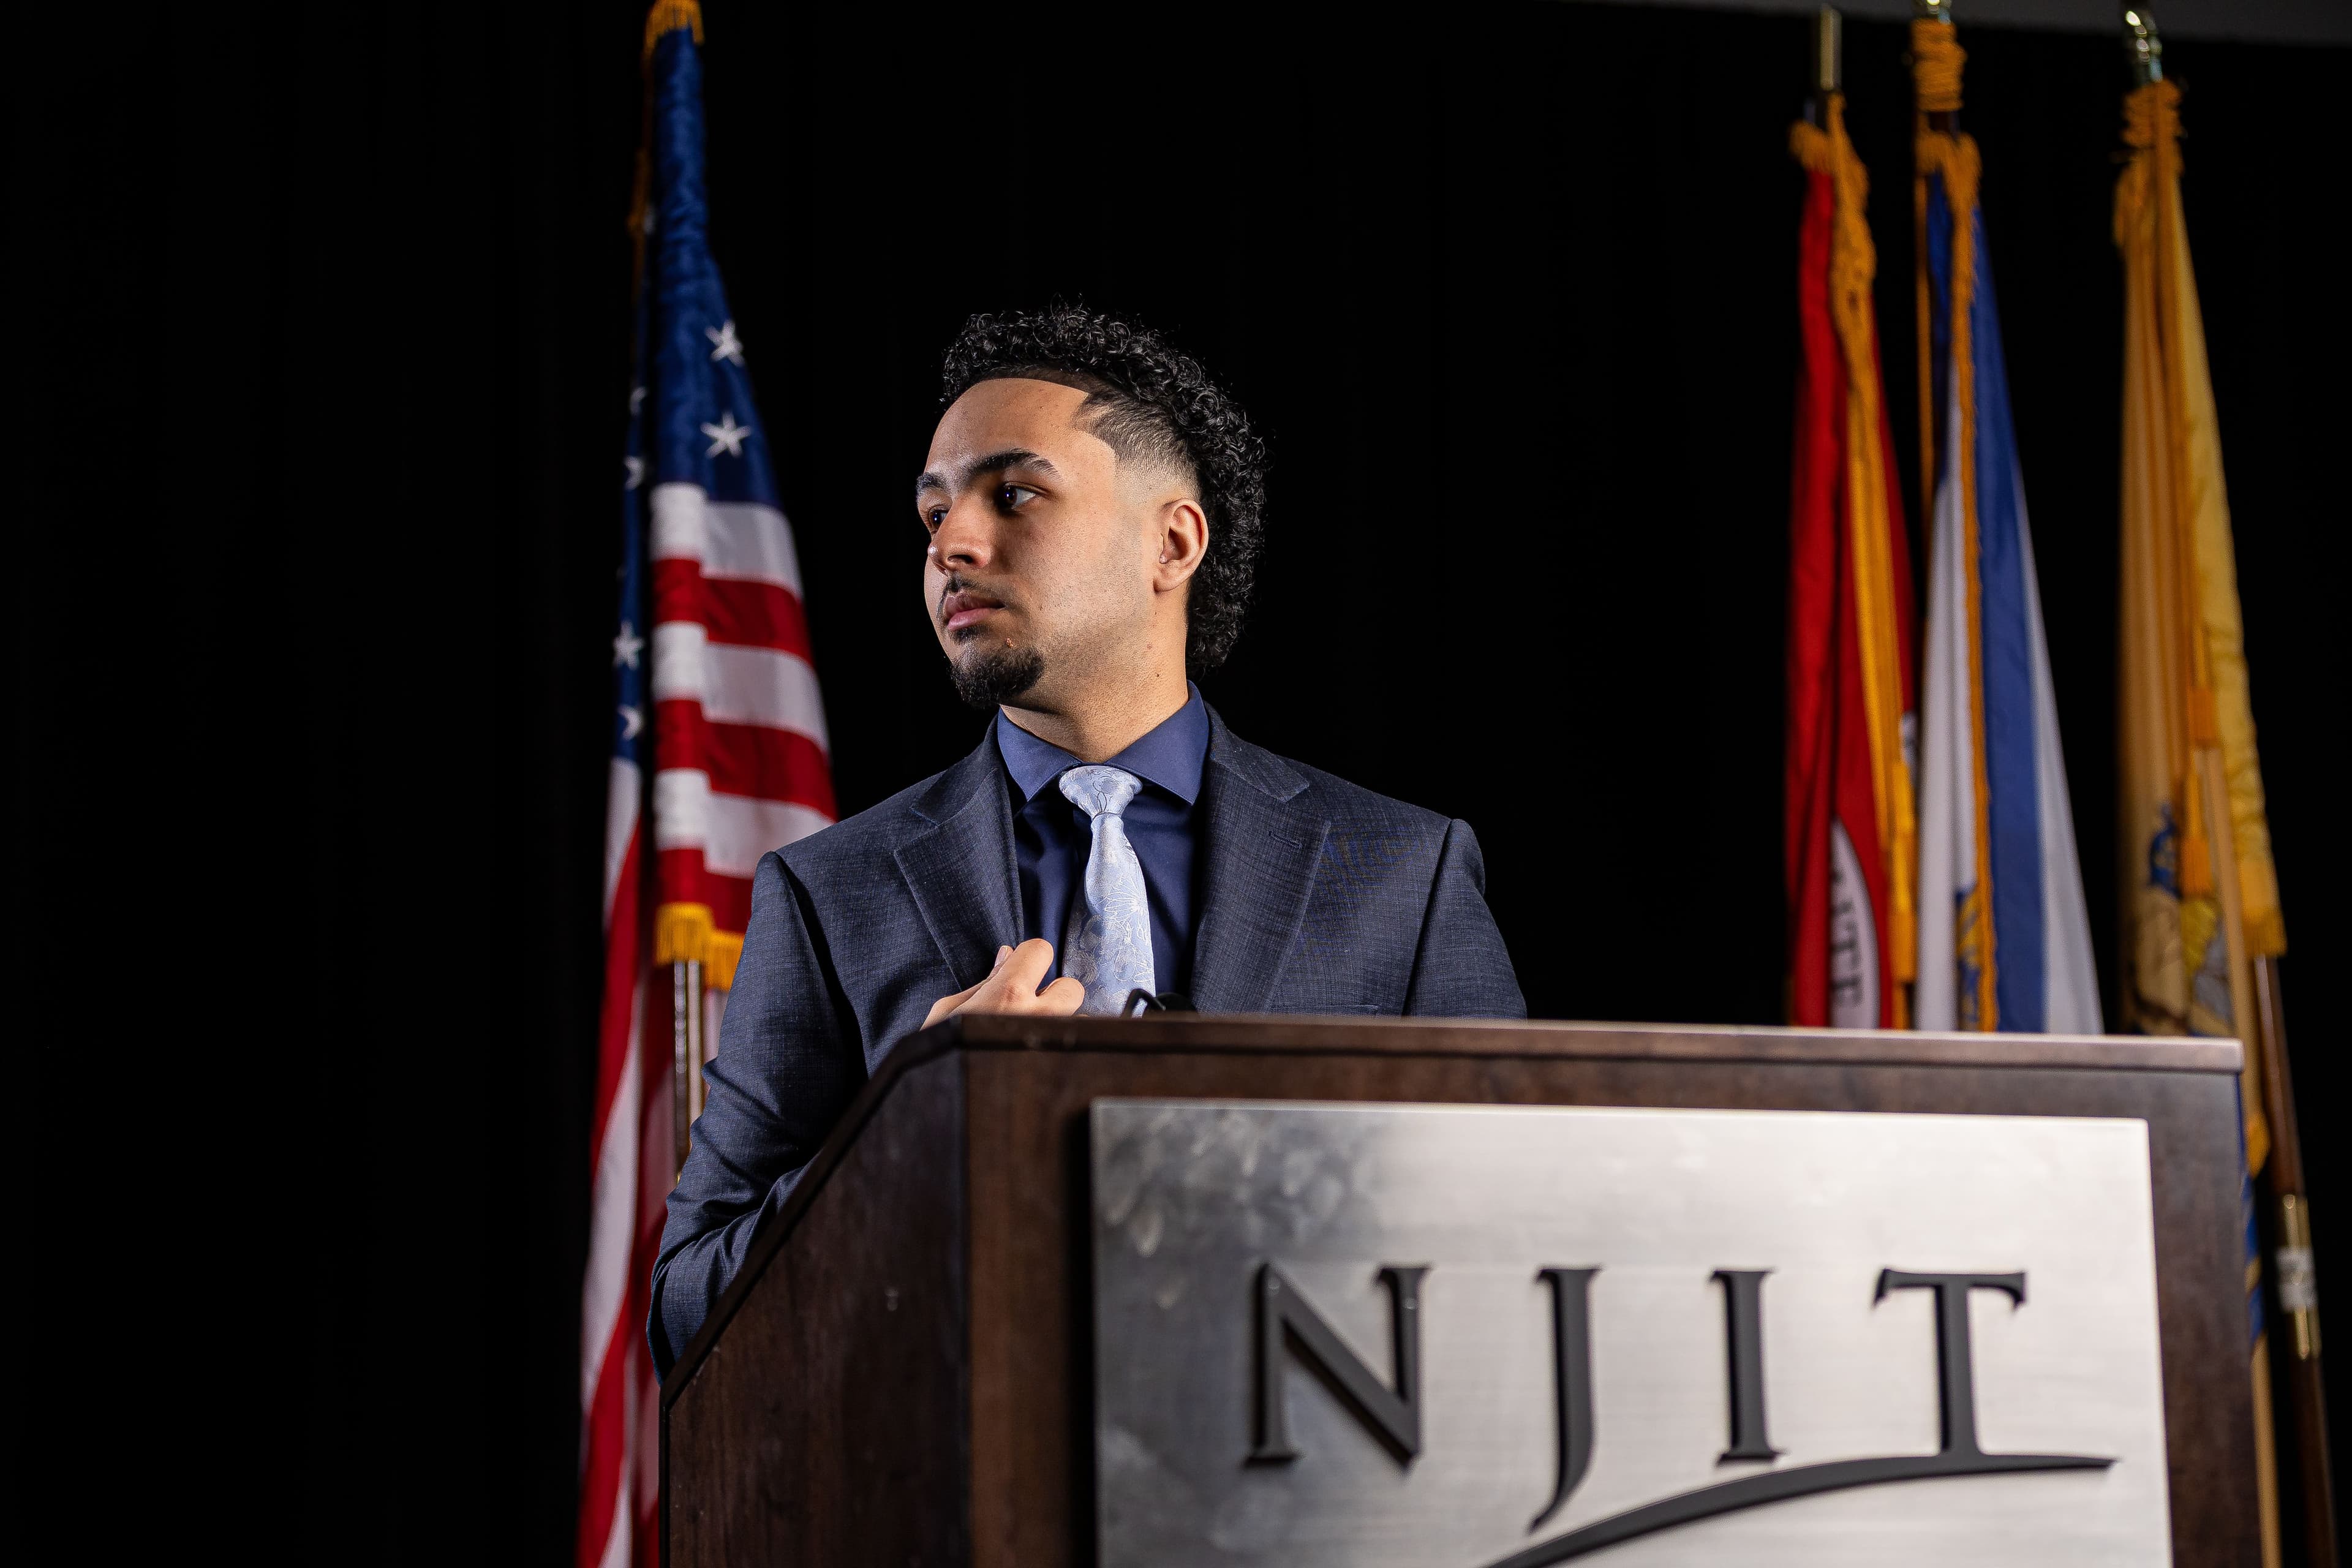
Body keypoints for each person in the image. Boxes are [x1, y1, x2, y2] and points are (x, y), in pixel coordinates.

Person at [650, 305, 1523, 1373]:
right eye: (933, 515)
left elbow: (1520, 1253)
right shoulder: (829, 893)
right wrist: (898, 1135)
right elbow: (687, 1311)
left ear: (1173, 542)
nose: (952, 545)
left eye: (1014, 495)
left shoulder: (1408, 874)